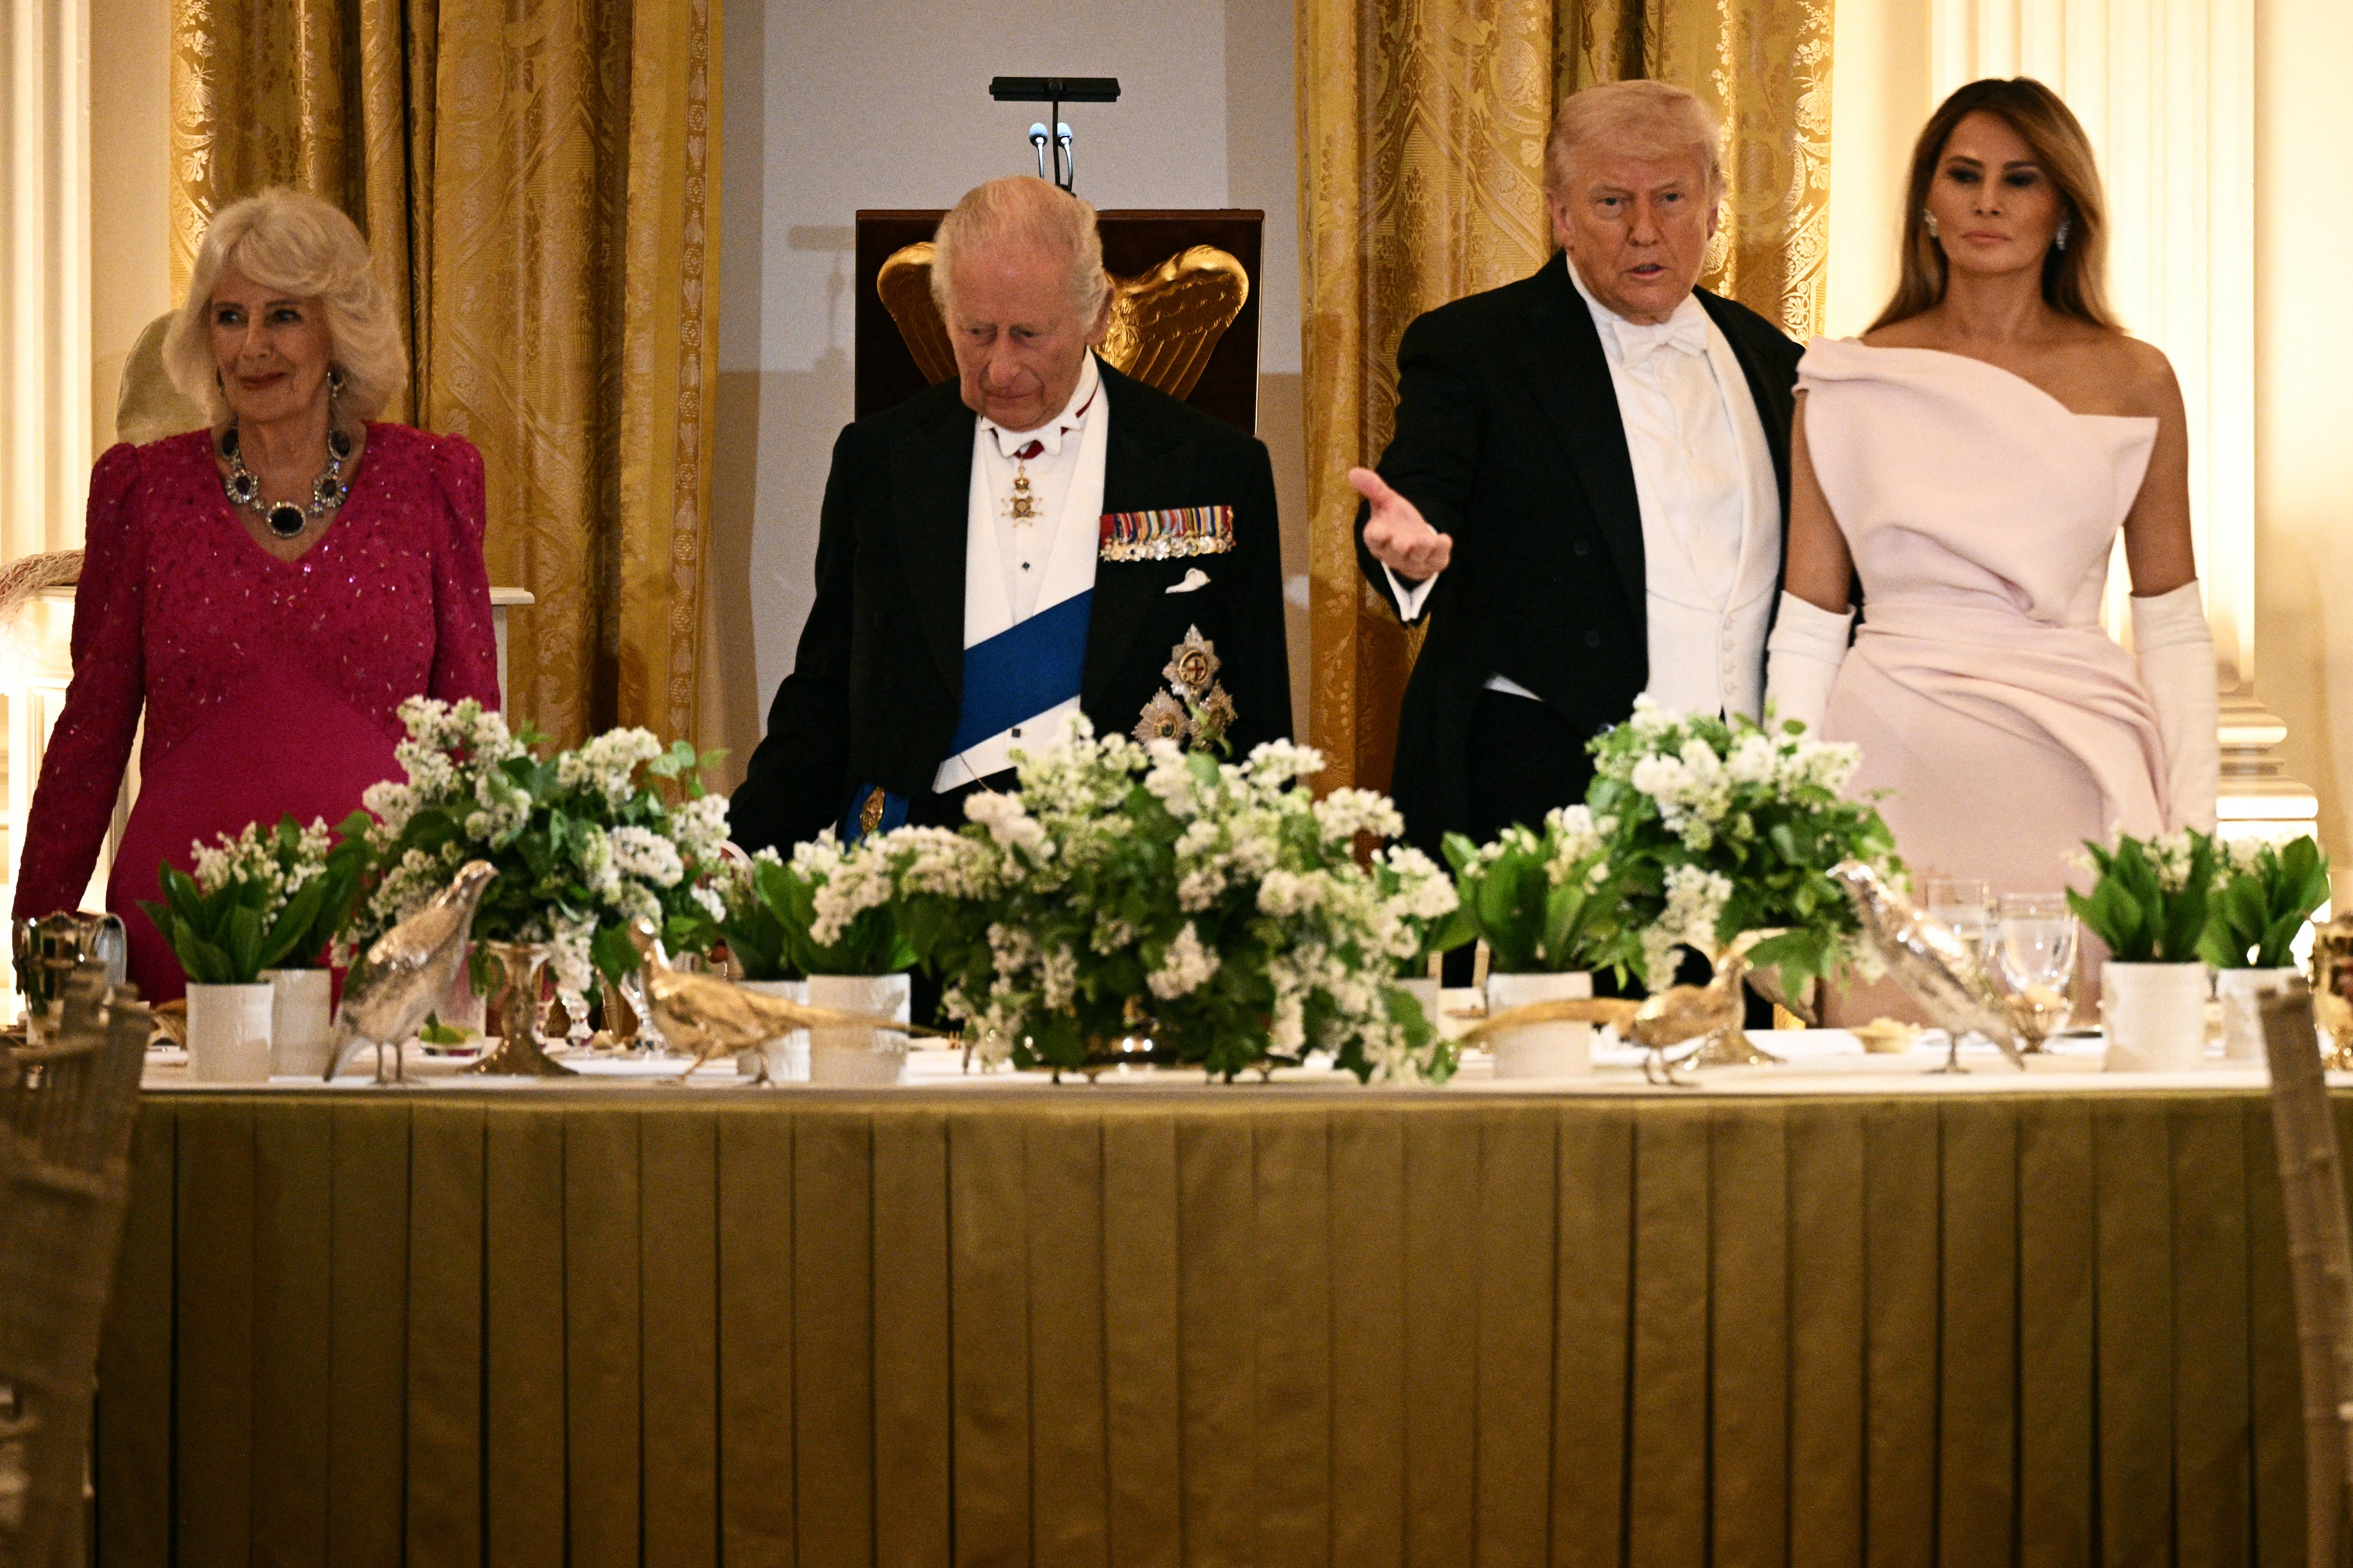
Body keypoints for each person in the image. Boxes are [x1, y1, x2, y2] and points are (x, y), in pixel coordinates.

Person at [13, 188, 500, 1003]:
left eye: (284, 317)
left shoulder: (430, 481)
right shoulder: (144, 491)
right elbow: (91, 733)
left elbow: (469, 735)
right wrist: (40, 939)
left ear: (338, 333)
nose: (252, 348)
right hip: (184, 927)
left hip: (381, 937)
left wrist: (488, 944)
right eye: (229, 317)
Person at [1763, 79, 2216, 932]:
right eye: (1962, 175)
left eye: (2020, 179)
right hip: (1883, 762)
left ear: (2064, 209)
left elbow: (2172, 623)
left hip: (2078, 763)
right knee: (1882, 1046)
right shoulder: (1845, 377)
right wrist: (1788, 820)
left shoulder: (2136, 378)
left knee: (2082, 1042)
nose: (1986, 202)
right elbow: (1808, 623)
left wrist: (2189, 843)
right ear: (1926, 203)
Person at [728, 176, 1292, 855]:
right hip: (920, 870)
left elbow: (1259, 712)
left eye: (1028, 335)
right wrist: (741, 845)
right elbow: (827, 689)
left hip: (1127, 876)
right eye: (976, 332)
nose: (999, 367)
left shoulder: (1213, 468)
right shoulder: (879, 459)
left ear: (1100, 313)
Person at [1351, 80, 1804, 868]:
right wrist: (1405, 550)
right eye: (1609, 202)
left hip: (1738, 802)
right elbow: (1418, 492)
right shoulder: (1474, 348)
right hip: (1542, 798)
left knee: (1717, 999)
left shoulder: (1775, 361)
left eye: (1670, 198)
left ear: (1713, 207)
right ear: (1560, 215)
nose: (1643, 231)